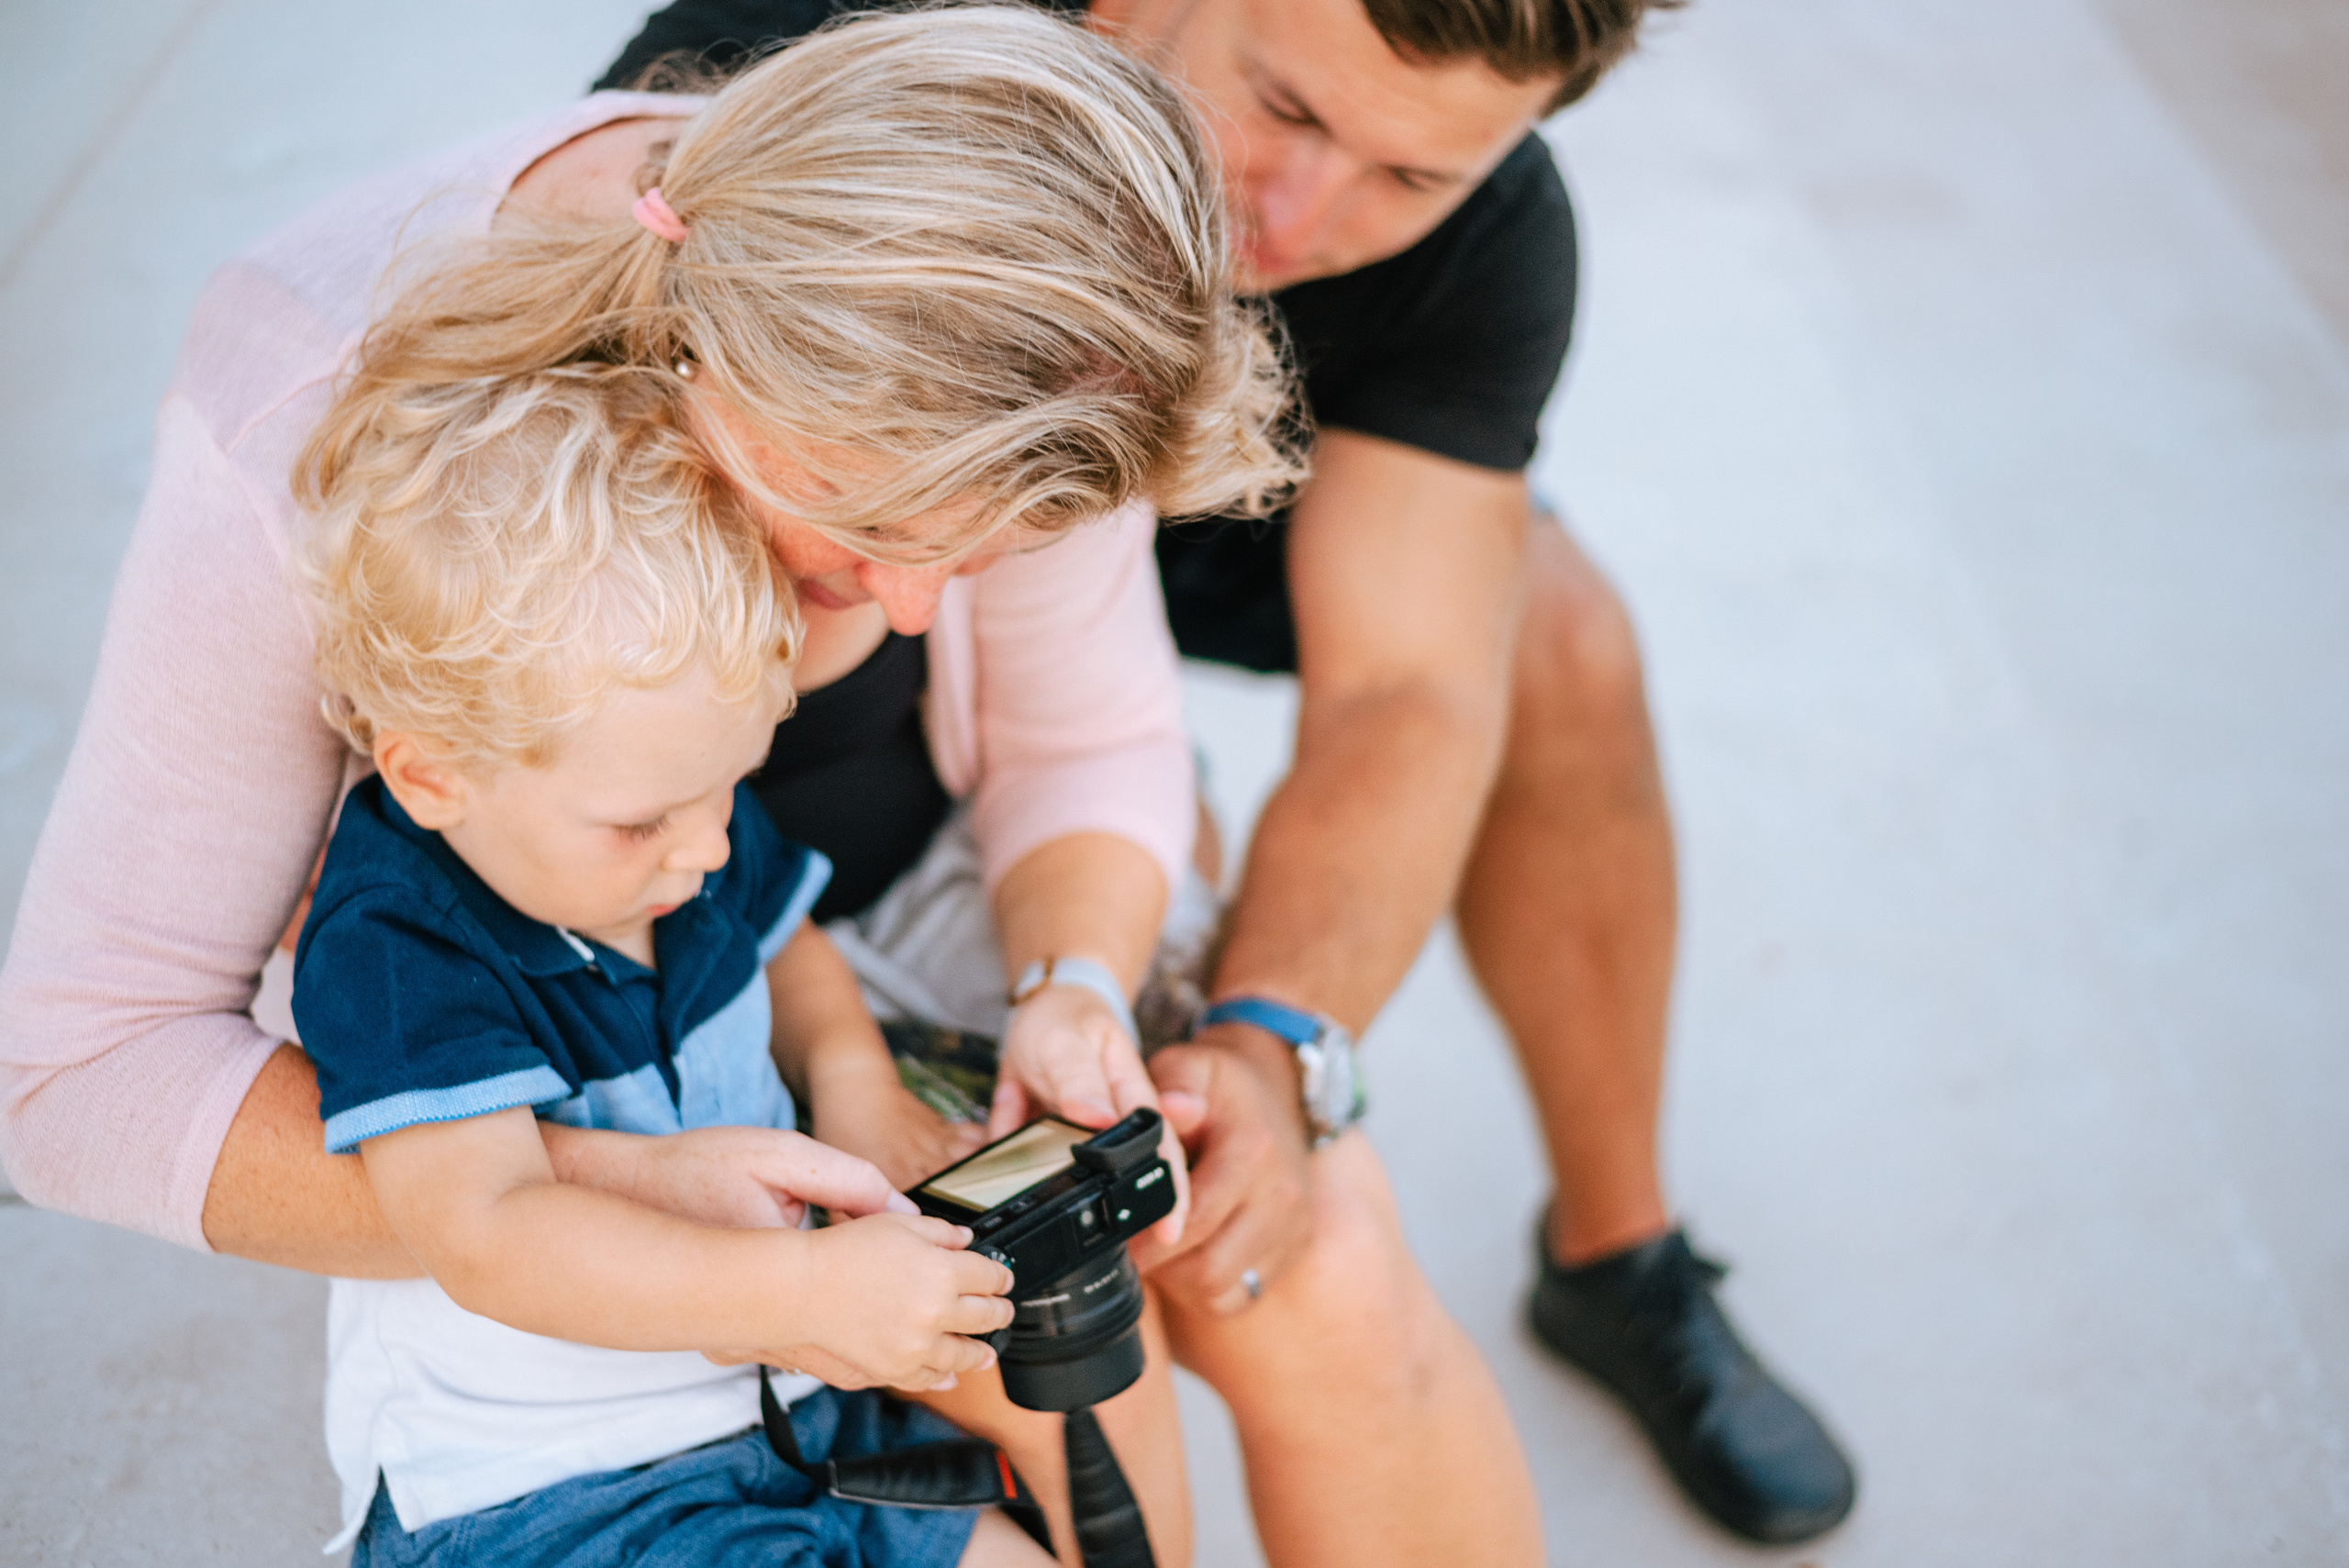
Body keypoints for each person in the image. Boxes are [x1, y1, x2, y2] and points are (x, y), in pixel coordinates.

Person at [0, 10, 1298, 1564]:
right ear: (718, 360)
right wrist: (647, 1204)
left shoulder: (1018, 333)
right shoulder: (306, 438)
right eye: (872, 523)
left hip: (771, 1299)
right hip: (567, 1404)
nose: (910, 609)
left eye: (973, 554)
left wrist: (1068, 979)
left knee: (1238, 1294)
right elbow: (78, 1078)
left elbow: (1082, 746)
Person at [600, 0, 1857, 1552]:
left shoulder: (1485, 234)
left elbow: (1403, 692)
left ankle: (1618, 1251)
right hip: (878, 568)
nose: (1303, 216)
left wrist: (1268, 1042)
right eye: (1289, 109)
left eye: (1410, 179)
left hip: (1152, 541)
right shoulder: (828, 64)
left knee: (1550, 638)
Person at [291, 364, 1036, 1564]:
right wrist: (800, 1294)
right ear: (434, 776)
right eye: (644, 823)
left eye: (730, 786)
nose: (709, 851)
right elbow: (486, 1228)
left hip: (795, 1414)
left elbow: (785, 947)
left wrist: (854, 1080)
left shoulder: (677, 821)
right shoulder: (402, 940)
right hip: (554, 1485)